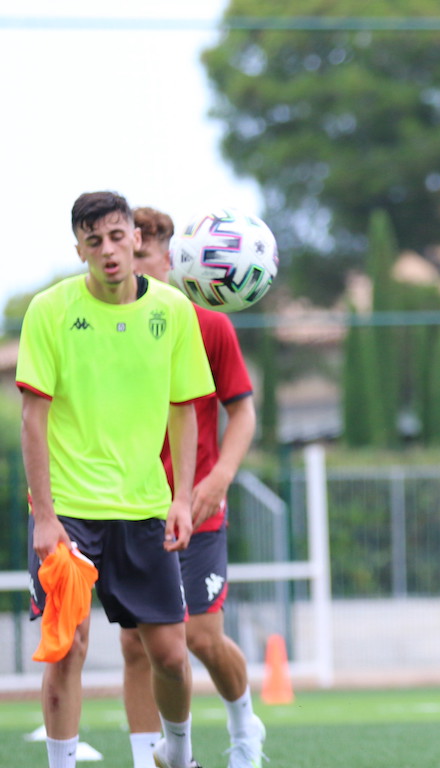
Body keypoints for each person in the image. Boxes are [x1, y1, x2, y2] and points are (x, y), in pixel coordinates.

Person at [18, 191, 214, 768]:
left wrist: (182, 499)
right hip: (69, 513)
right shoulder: (50, 311)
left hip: (144, 508)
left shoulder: (173, 311)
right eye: (94, 240)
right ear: (79, 248)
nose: (107, 250)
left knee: (170, 655)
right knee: (67, 648)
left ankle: (177, 753)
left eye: (116, 237)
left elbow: (184, 409)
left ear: (136, 238)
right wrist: (45, 517)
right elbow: (32, 417)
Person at [120, 207, 266, 768]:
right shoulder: (110, 328)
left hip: (197, 506)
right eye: (128, 256)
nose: (134, 267)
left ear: (172, 260)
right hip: (129, 506)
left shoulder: (208, 325)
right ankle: (148, 760)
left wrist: (219, 476)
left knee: (201, 637)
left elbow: (243, 412)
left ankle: (244, 727)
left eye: (144, 256)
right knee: (136, 645)